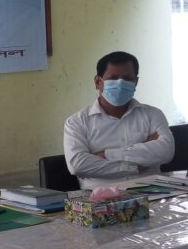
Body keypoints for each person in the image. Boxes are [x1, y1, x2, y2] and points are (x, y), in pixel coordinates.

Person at [64, 51, 174, 189]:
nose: (121, 83)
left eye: (127, 78)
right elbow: (78, 165)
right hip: (101, 198)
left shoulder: (153, 114)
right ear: (98, 82)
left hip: (154, 192)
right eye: (113, 78)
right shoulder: (77, 122)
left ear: (136, 82)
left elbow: (166, 151)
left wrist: (107, 154)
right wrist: (135, 165)